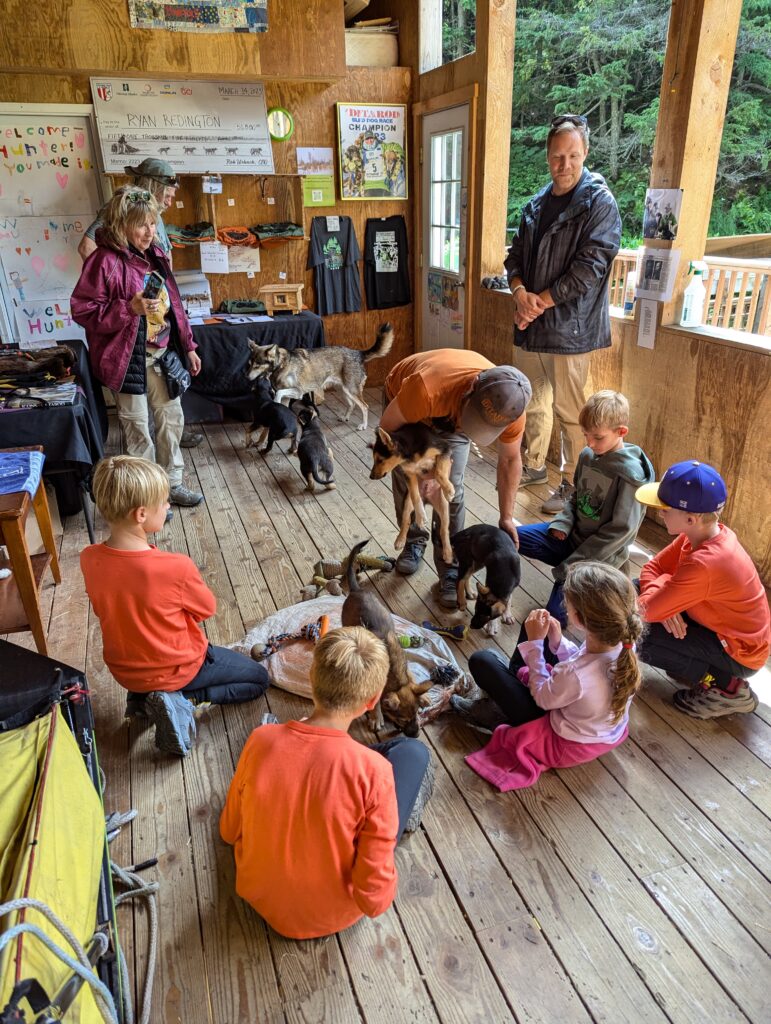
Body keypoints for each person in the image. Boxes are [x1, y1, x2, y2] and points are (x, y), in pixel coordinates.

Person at [220, 626, 434, 939]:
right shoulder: (375, 773)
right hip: (332, 914)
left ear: (311, 678)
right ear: (373, 700)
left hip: (258, 894)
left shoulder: (260, 739)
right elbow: (374, 901)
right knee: (414, 751)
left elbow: (228, 832)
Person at [80, 456, 269, 756]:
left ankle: (141, 699)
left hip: (125, 671)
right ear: (141, 514)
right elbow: (207, 609)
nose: (168, 506)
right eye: (164, 502)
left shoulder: (88, 558)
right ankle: (181, 699)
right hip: (179, 667)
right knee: (259, 680)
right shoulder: (175, 567)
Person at [504, 113, 621, 515]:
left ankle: (572, 481)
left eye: (573, 156)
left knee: (572, 412)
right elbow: (514, 257)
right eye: (557, 156)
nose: (564, 165)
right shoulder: (536, 204)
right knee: (531, 401)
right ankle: (534, 466)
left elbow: (591, 267)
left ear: (585, 153)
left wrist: (538, 303)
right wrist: (519, 292)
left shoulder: (599, 203)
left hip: (571, 328)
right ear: (548, 157)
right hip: (530, 322)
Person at [455, 562, 644, 790]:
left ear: (579, 620)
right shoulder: (623, 643)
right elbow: (581, 659)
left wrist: (535, 646)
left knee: (483, 660)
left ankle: (498, 712)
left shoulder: (574, 674)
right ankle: (516, 678)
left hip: (561, 739)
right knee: (531, 629)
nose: (564, 607)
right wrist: (556, 643)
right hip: (600, 733)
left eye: (568, 605)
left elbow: (544, 698)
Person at [71, 185, 204, 507]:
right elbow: (83, 311)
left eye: (153, 224)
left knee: (171, 421)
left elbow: (175, 304)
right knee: (137, 430)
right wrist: (127, 309)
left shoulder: (155, 256)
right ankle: (147, 496)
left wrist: (188, 346)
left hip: (162, 354)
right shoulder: (103, 261)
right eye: (142, 225)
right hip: (125, 358)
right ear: (122, 225)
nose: (150, 232)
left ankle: (172, 483)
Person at [379, 350, 532, 607]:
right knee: (411, 483)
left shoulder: (514, 410)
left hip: (451, 415)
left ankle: (450, 565)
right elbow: (387, 437)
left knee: (451, 490)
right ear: (472, 387)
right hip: (411, 410)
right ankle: (415, 540)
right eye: (475, 420)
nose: (474, 429)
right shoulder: (425, 388)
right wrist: (421, 471)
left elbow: (509, 461)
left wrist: (506, 516)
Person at [512, 390, 653, 651]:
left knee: (553, 618)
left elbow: (620, 532)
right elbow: (576, 498)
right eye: (585, 434)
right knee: (511, 537)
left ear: (621, 431)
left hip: (600, 559)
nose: (588, 442)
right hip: (570, 538)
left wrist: (572, 567)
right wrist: (562, 524)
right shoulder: (588, 456)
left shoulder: (631, 475)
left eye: (597, 437)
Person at [635, 460, 770, 718]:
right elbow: (651, 568)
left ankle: (727, 686)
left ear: (690, 518)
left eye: (665, 509)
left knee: (639, 636)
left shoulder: (705, 562)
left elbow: (645, 610)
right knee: (634, 589)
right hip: (715, 624)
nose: (660, 513)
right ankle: (695, 665)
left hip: (738, 651)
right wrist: (663, 605)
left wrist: (662, 604)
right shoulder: (699, 534)